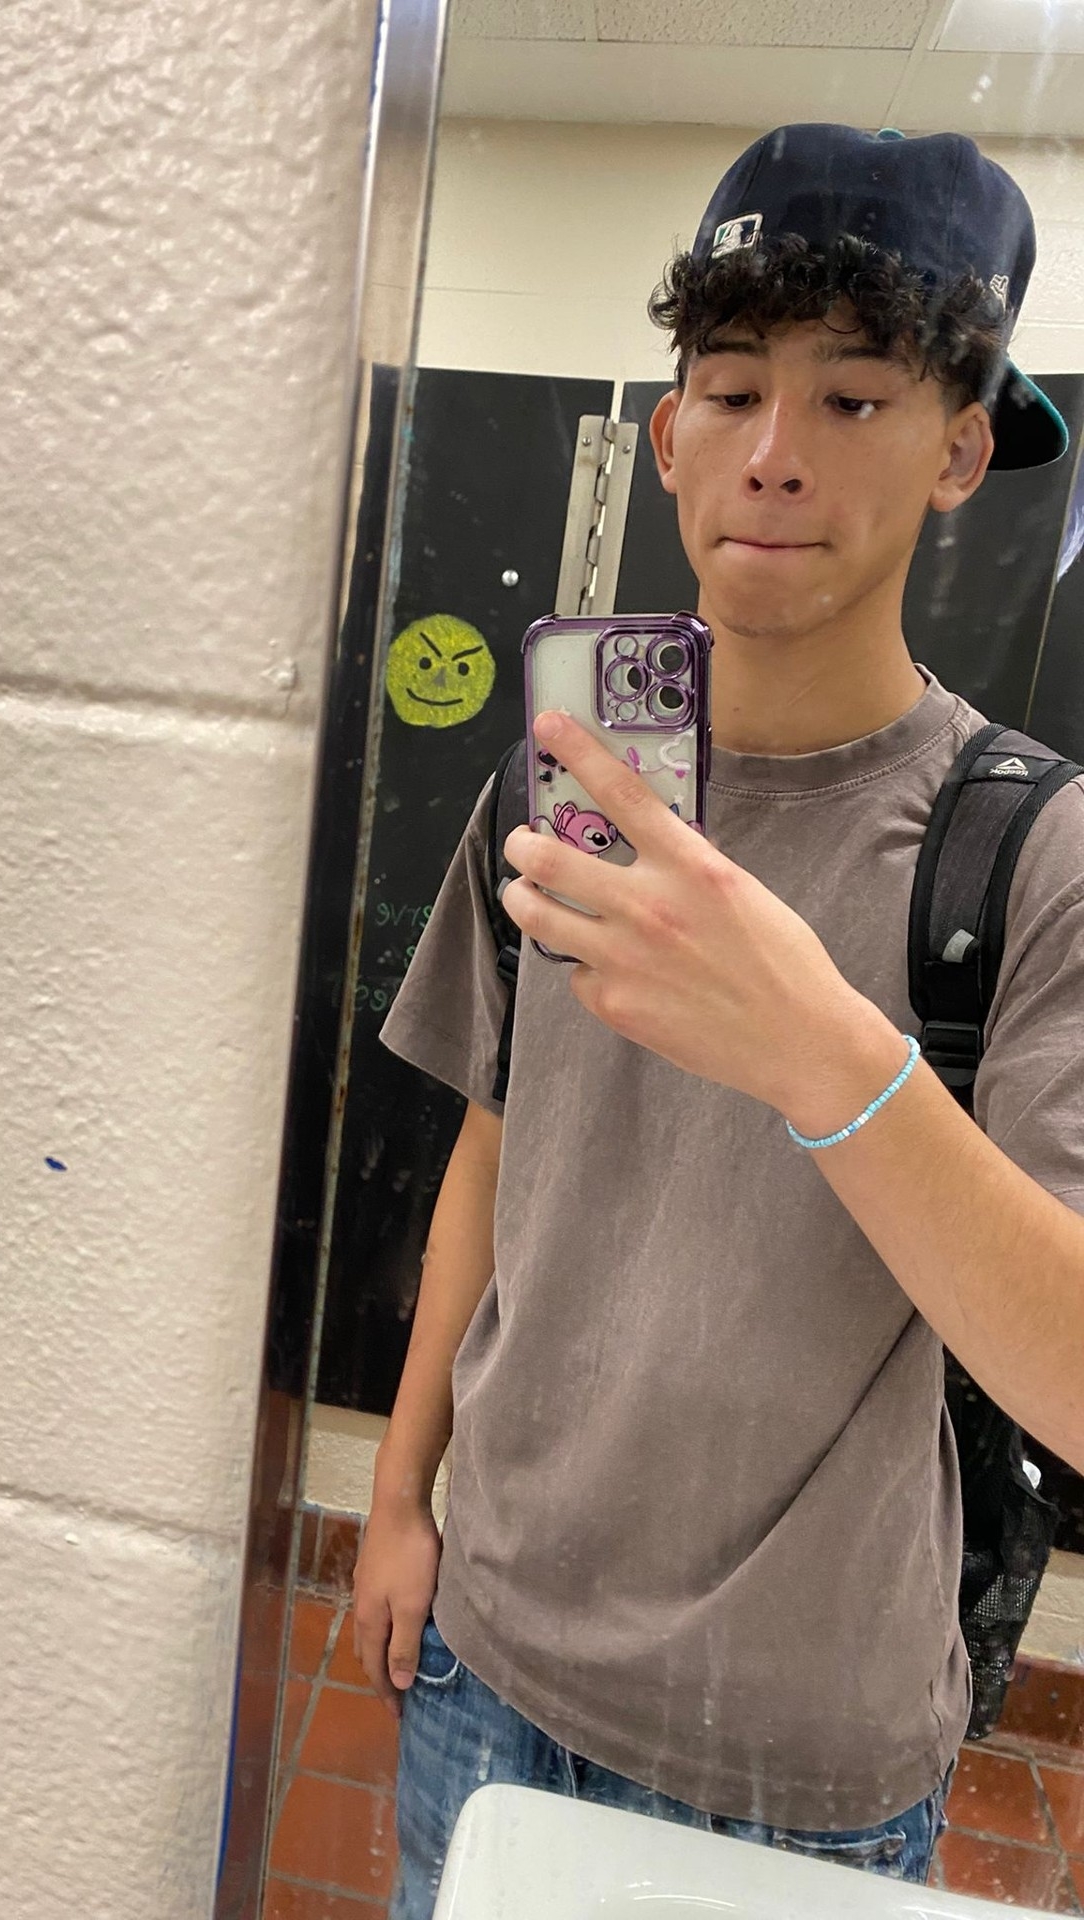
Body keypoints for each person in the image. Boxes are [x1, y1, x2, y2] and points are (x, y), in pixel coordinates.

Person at [355, 123, 1084, 1917]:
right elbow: (494, 1156)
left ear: (960, 449)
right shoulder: (562, 781)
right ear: (670, 432)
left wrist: (820, 1048)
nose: (774, 451)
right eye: (736, 388)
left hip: (804, 1752)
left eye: (854, 397)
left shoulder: (1029, 852)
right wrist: (396, 1500)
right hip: (486, 1662)